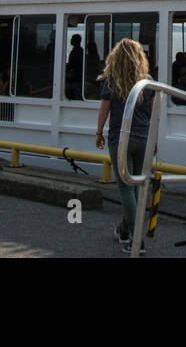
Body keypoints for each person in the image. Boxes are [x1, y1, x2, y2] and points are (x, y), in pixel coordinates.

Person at [94, 38, 155, 252]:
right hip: (143, 138)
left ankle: (136, 239)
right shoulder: (148, 81)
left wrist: (99, 131)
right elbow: (152, 113)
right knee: (137, 186)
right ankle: (125, 230)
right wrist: (153, 140)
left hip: (121, 139)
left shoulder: (112, 79)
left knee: (125, 188)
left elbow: (105, 109)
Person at [65, 33, 85, 100]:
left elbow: (73, 65)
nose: (70, 40)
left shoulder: (75, 52)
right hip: (78, 76)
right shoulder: (81, 51)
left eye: (72, 39)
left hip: (75, 77)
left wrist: (68, 72)